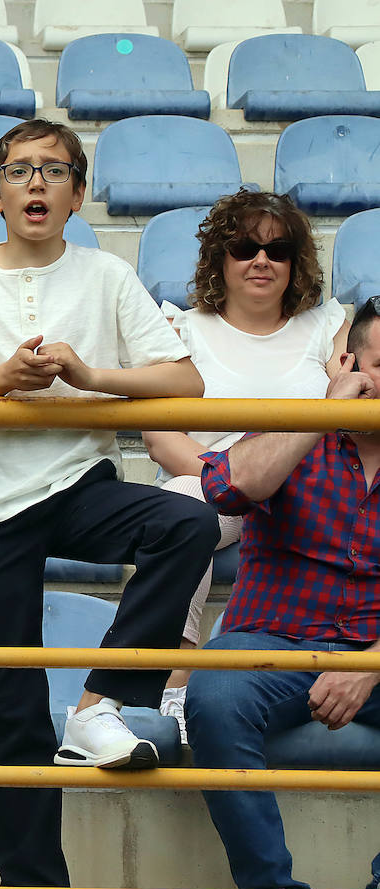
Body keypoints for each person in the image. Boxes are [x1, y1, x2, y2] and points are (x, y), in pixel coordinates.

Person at [0, 119, 220, 889]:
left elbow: (185, 383)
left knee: (184, 523)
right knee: (8, 712)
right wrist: (1, 380)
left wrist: (87, 374)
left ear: (80, 193)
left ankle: (97, 703)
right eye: (19, 171)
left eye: (55, 171)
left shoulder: (108, 275)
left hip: (80, 482)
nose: (37, 184)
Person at [187, 298, 380, 889]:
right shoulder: (289, 428)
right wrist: (321, 415)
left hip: (374, 651)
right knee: (215, 695)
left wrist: (368, 667)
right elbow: (227, 486)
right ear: (347, 362)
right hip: (273, 643)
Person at [143, 190, 345, 742]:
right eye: (244, 247)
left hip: (308, 490)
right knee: (186, 504)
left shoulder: (328, 326)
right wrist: (229, 482)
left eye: (277, 250)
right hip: (211, 489)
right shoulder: (180, 328)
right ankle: (178, 677)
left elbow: (349, 410)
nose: (261, 261)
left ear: (295, 263)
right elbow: (161, 437)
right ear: (220, 257)